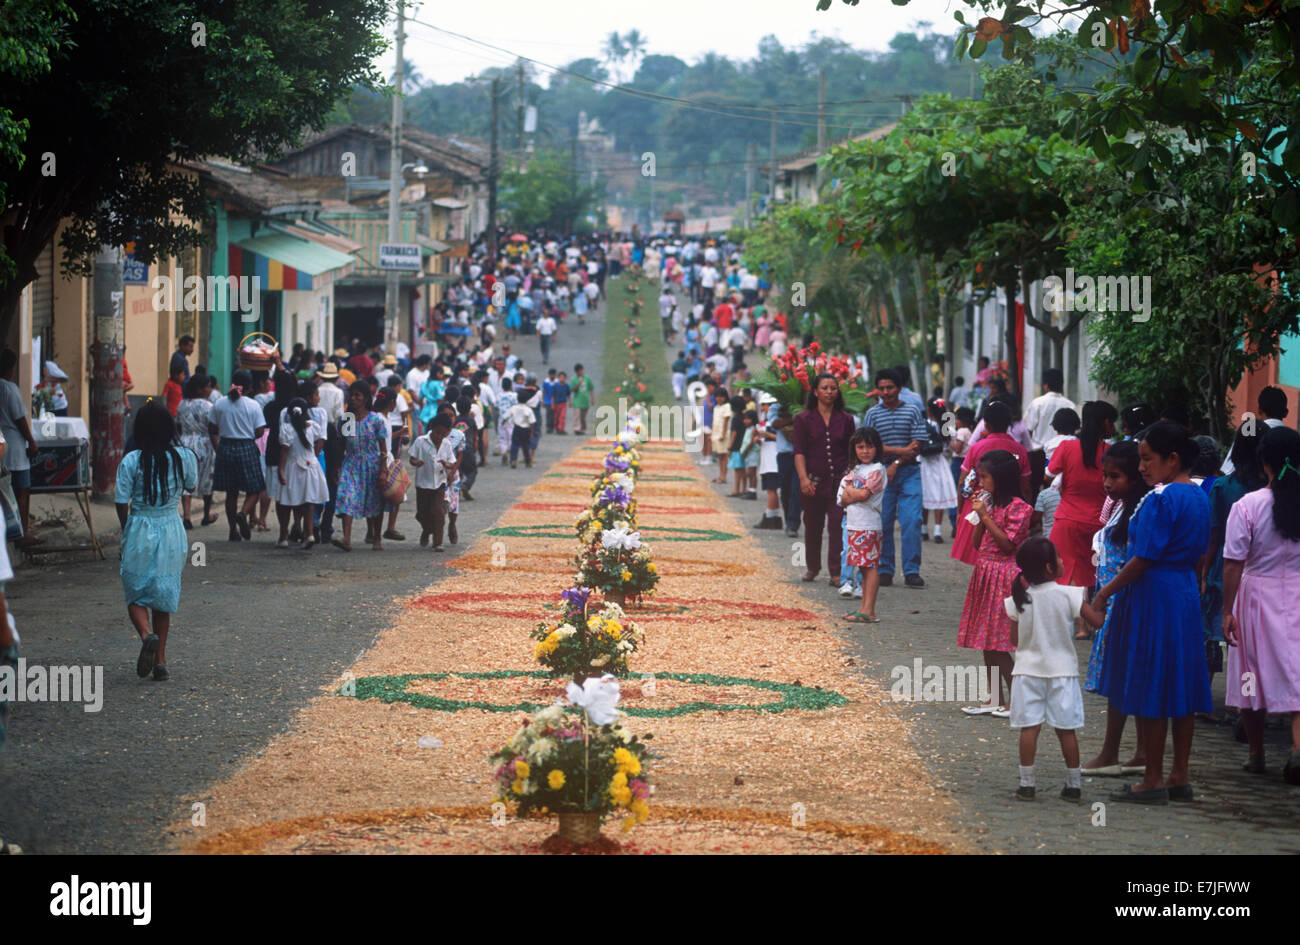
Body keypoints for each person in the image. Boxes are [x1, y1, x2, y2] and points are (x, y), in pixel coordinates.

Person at [1085, 422, 1213, 804]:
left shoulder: (1160, 499)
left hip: (1153, 596)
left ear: (1171, 459)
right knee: (1183, 685)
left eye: (1146, 459)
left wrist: (1103, 593)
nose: (1142, 467)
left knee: (1151, 683)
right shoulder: (1200, 496)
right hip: (1184, 594)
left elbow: (1142, 558)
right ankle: (1179, 774)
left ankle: (1153, 778)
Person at [1222, 426, 1300, 784]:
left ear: (1264, 462)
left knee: (1249, 672)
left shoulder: (1248, 506)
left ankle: (1256, 753)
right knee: (1296, 671)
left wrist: (1226, 610)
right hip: (1296, 594)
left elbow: (1233, 562)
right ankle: (1298, 750)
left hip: (1254, 596)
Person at [1081, 440, 1151, 776]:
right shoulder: (1121, 507)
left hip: (1121, 601)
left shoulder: (1140, 510)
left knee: (1123, 679)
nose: (1108, 483)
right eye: (1105, 476)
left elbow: (1136, 561)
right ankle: (1136, 752)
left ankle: (1114, 751)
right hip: (1113, 599)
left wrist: (1104, 594)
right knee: (1124, 678)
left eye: (1116, 476)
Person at [114, 401, 197, 682]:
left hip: (139, 526)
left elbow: (120, 501)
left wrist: (127, 529)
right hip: (171, 528)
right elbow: (192, 485)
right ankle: (160, 660)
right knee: (164, 595)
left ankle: (146, 634)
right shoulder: (183, 456)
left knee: (135, 592)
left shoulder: (131, 460)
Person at [1005, 536, 1086, 802]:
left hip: (1027, 671)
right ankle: (1074, 784)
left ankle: (1027, 784)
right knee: (1066, 730)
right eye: (1059, 558)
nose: (1062, 561)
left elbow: (1015, 641)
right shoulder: (1069, 595)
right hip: (1063, 671)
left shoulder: (1018, 600)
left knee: (1029, 728)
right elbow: (1096, 619)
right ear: (1050, 568)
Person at [958, 450, 1033, 717]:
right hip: (985, 573)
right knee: (986, 642)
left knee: (1001, 642)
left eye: (985, 477)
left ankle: (1019, 700)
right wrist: (981, 516)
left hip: (1005, 577)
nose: (980, 483)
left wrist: (986, 516)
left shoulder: (1019, 508)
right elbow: (978, 543)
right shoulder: (989, 503)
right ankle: (993, 698)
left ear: (1000, 478)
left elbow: (1007, 544)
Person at [1203, 425, 1268, 694]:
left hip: (1224, 567)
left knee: (1213, 633)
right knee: (1255, 641)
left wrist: (1204, 573)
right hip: (1261, 569)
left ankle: (1203, 695)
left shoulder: (1223, 487)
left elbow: (1213, 536)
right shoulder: (1271, 488)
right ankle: (1252, 699)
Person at [1048, 401, 1117, 635]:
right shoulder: (1110, 452)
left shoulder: (1067, 447)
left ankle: (1077, 624)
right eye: (1112, 421)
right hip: (1099, 522)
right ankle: (1089, 620)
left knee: (1067, 572)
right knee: (1092, 573)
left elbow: (1049, 475)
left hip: (1067, 518)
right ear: (1105, 423)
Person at [863, 369, 929, 588]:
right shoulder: (872, 414)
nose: (885, 392)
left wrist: (896, 462)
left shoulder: (913, 410)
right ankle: (884, 569)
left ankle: (911, 570)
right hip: (880, 475)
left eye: (890, 387)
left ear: (899, 388)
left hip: (910, 473)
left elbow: (917, 445)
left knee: (912, 521)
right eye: (881, 388)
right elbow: (869, 446)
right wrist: (900, 451)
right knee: (883, 523)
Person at [793, 373, 856, 586]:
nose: (829, 392)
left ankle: (836, 572)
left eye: (833, 388)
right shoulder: (803, 419)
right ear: (815, 391)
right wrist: (803, 478)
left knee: (838, 524)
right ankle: (812, 567)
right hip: (813, 481)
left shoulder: (846, 419)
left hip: (839, 481)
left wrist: (851, 476)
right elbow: (799, 451)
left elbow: (852, 450)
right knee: (812, 525)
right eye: (825, 388)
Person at [951, 401, 1031, 566]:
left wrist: (959, 510)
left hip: (979, 503)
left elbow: (963, 481)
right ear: (1009, 424)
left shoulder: (977, 447)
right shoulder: (1019, 449)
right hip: (1011, 505)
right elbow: (1026, 487)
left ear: (985, 424)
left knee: (979, 550)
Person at [839, 427, 896, 623]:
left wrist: (851, 492)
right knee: (862, 567)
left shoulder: (877, 470)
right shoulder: (855, 469)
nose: (865, 451)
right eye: (860, 447)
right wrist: (852, 494)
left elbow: (862, 494)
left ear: (877, 448)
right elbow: (841, 498)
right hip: (854, 525)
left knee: (870, 566)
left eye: (869, 447)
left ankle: (869, 610)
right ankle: (863, 607)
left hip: (869, 525)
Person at [210, 369, 267, 542]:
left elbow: (212, 429)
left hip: (226, 446)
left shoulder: (219, 404)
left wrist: (219, 445)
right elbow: (259, 431)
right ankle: (243, 513)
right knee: (255, 488)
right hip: (246, 447)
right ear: (249, 388)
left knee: (231, 492)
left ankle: (233, 530)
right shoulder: (253, 405)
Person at [333, 380, 389, 552]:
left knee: (374, 501)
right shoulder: (347, 419)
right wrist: (337, 466)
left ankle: (377, 536)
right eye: (352, 394)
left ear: (365, 398)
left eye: (358, 395)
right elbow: (342, 445)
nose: (354, 398)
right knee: (347, 496)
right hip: (351, 463)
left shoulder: (375, 419)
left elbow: (383, 448)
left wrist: (383, 470)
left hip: (372, 464)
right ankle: (347, 538)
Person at [276, 398, 328, 550]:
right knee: (309, 502)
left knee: (286, 503)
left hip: (292, 467)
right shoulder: (313, 427)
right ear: (306, 412)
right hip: (311, 466)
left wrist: (280, 469)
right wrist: (314, 455)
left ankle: (283, 536)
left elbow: (284, 451)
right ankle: (309, 534)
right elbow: (321, 441)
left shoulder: (286, 428)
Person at [0, 350, 40, 546]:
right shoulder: (9, 388)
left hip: (2, 445)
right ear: (12, 368)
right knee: (22, 491)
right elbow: (20, 419)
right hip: (14, 447)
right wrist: (31, 441)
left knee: (4, 491)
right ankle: (22, 533)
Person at [1022, 368, 1077, 499]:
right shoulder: (1070, 405)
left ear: (1045, 385)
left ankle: (1035, 517)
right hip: (1063, 454)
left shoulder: (1037, 403)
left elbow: (1028, 429)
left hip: (1038, 454)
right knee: (1056, 491)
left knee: (1034, 489)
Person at [408, 413, 456, 550]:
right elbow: (411, 458)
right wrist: (416, 462)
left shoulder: (446, 444)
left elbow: (452, 462)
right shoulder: (420, 441)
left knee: (438, 512)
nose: (439, 437)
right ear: (432, 429)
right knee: (422, 513)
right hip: (423, 483)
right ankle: (427, 529)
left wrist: (447, 465)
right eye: (437, 433)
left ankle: (438, 542)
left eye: (443, 434)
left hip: (439, 483)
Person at [177, 374, 218, 529]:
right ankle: (206, 514)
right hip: (204, 444)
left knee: (187, 479)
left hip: (185, 443)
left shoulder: (182, 404)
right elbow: (213, 428)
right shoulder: (208, 406)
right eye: (207, 386)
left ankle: (187, 516)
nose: (210, 389)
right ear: (200, 389)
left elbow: (178, 425)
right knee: (207, 479)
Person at [920, 398, 958, 543]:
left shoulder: (925, 423)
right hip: (940, 463)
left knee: (925, 495)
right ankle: (937, 531)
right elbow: (951, 442)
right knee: (940, 496)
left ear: (929, 409)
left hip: (925, 463)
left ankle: (924, 529)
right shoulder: (946, 425)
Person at [571, 364, 595, 434]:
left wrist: (592, 399)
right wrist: (578, 384)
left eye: (582, 370)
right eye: (579, 371)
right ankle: (577, 429)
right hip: (577, 401)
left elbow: (591, 389)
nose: (581, 372)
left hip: (585, 401)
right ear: (576, 372)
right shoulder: (574, 379)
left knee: (583, 417)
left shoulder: (587, 378)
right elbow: (572, 390)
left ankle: (583, 429)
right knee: (577, 416)